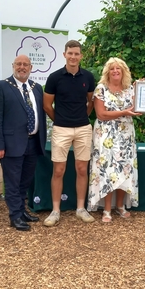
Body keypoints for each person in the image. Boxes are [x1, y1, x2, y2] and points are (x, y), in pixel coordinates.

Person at [0, 55, 47, 231]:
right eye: (19, 64)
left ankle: (22, 211)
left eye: (25, 65)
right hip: (11, 144)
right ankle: (14, 216)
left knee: (25, 181)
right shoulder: (2, 86)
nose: (22, 67)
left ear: (30, 68)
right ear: (13, 66)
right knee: (12, 181)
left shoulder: (37, 88)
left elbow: (40, 115)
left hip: (33, 142)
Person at [43, 40, 96, 226]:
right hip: (61, 128)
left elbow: (91, 103)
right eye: (70, 53)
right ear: (64, 54)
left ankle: (81, 209)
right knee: (59, 170)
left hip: (83, 128)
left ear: (81, 56)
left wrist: (82, 117)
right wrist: (60, 119)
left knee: (82, 169)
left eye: (76, 54)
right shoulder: (54, 77)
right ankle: (55, 211)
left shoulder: (88, 77)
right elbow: (47, 105)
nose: (73, 57)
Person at [87, 57, 140, 222]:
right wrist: (124, 112)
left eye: (119, 68)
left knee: (125, 169)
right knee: (108, 170)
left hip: (125, 135)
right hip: (106, 135)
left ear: (124, 71)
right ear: (107, 72)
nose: (115, 71)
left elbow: (139, 107)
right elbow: (101, 114)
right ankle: (107, 209)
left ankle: (120, 206)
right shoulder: (101, 89)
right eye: (112, 69)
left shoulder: (130, 89)